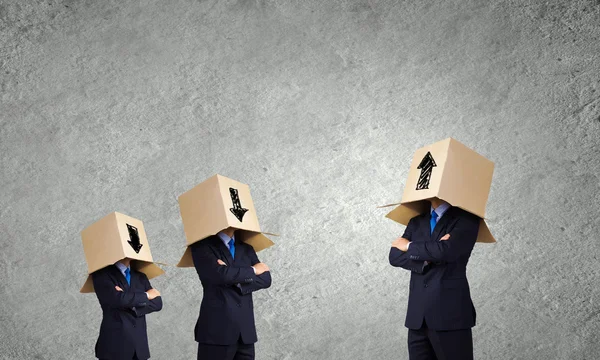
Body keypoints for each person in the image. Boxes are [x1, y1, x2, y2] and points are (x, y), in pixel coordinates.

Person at [389, 198, 480, 360]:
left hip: (450, 316)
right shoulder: (416, 221)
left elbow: (447, 251)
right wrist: (429, 256)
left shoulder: (467, 219)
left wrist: (409, 246)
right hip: (417, 318)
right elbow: (394, 256)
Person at [191, 227, 272, 360]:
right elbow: (220, 275)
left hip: (246, 333)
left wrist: (232, 275)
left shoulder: (246, 248)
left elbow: (265, 279)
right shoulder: (202, 247)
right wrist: (253, 270)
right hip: (216, 332)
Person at [92, 258, 163, 360]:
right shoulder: (102, 275)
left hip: (139, 348)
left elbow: (157, 303)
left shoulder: (140, 276)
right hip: (114, 347)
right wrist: (147, 295)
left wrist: (129, 301)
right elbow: (118, 299)